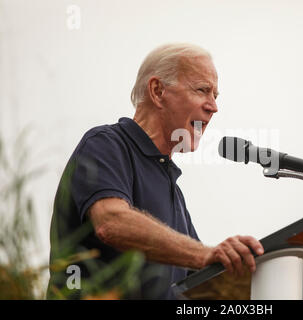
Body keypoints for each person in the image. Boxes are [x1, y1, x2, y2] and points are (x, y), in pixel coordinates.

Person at [47, 43, 264, 299]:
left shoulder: (175, 193)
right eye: (203, 90)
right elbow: (111, 222)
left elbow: (193, 288)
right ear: (158, 91)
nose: (213, 107)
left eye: (216, 96)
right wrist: (205, 254)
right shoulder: (106, 144)